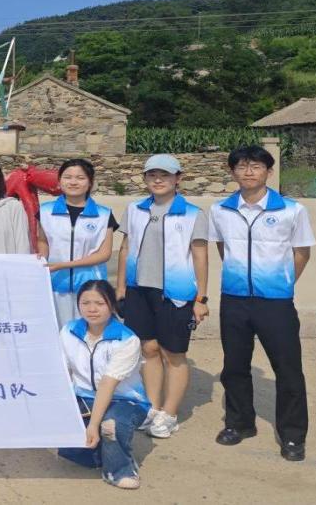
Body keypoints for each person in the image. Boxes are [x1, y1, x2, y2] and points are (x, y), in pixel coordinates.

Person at [208, 145, 315, 461]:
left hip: (275, 302)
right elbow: (222, 247)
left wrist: (283, 282)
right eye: (242, 166)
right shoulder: (220, 210)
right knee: (234, 366)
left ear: (269, 171)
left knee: (288, 368)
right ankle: (239, 423)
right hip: (234, 299)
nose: (249, 172)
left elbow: (302, 252)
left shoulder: (292, 210)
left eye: (256, 166)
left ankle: (292, 435)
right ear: (232, 172)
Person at [116, 154, 209, 439]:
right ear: (145, 178)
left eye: (165, 175)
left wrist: (201, 299)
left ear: (178, 178)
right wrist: (121, 287)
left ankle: (169, 413)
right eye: (152, 175)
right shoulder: (135, 209)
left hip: (175, 293)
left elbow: (200, 256)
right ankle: (153, 407)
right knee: (148, 349)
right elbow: (125, 248)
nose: (158, 180)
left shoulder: (192, 213)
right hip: (139, 289)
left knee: (174, 354)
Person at [58, 280, 150, 490]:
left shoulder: (127, 340)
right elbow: (62, 371)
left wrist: (93, 424)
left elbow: (108, 384)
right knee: (79, 452)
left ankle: (120, 470)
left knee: (111, 425)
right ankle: (101, 453)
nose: (92, 309)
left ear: (112, 305)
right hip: (84, 397)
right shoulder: (68, 330)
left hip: (125, 401)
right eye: (85, 303)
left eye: (99, 303)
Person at [38, 159, 119, 326]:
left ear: (90, 183)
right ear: (59, 181)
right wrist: (42, 259)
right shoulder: (45, 211)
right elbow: (42, 241)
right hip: (55, 285)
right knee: (58, 331)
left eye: (80, 178)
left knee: (89, 332)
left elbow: (104, 254)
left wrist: (63, 265)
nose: (73, 182)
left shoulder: (104, 214)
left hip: (90, 288)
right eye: (67, 177)